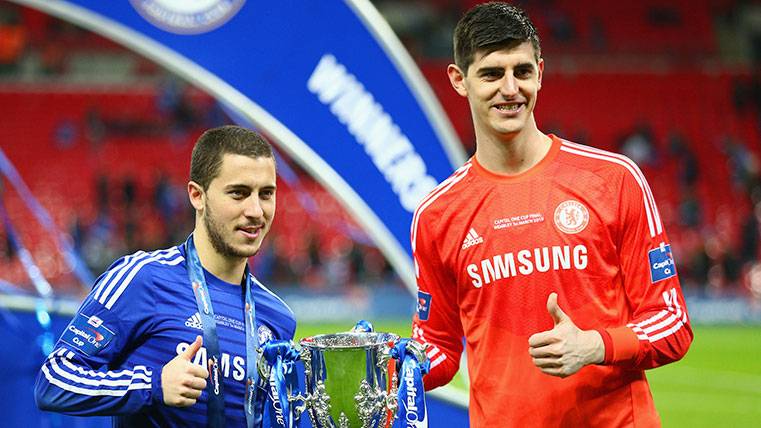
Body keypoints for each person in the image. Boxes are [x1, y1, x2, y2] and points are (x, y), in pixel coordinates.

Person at [410, 3, 693, 427]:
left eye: (522, 72)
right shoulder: (437, 214)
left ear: (540, 73)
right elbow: (438, 347)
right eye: (491, 74)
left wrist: (594, 345)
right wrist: (382, 366)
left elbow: (671, 323)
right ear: (459, 80)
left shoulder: (614, 180)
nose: (510, 88)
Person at [35, 125, 296, 427]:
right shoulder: (143, 279)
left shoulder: (277, 318)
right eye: (238, 193)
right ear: (198, 196)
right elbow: (53, 380)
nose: (255, 210)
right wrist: (153, 386)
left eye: (266, 194)